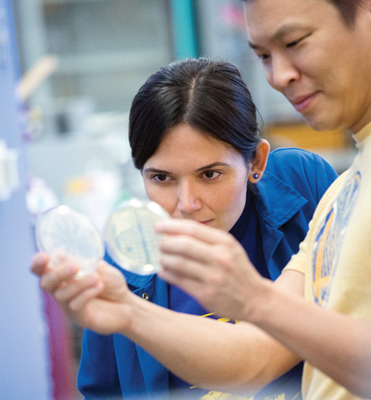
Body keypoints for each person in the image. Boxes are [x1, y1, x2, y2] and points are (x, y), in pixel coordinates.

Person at [30, 58, 338, 399]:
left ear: (256, 162)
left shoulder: (305, 185)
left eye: (209, 174)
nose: (186, 203)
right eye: (161, 178)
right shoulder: (122, 268)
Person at [153, 0, 371, 399]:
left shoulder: (311, 182)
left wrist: (254, 299)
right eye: (264, 56)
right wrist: (124, 312)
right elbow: (257, 357)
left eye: (295, 41)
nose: (279, 76)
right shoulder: (341, 195)